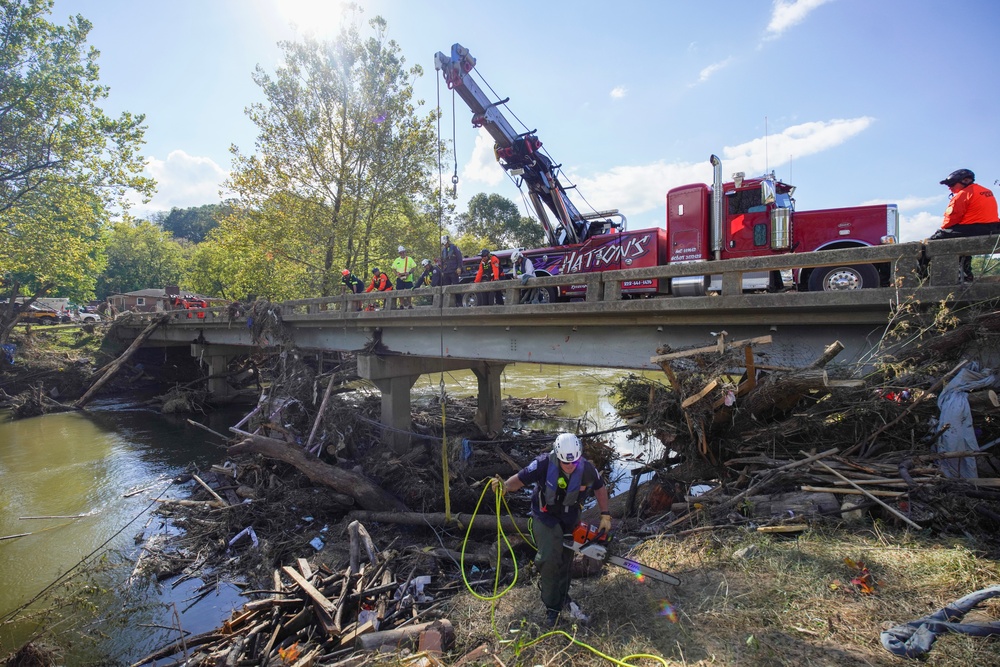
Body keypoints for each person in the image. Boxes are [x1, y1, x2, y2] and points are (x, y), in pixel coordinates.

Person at [494, 433, 611, 627]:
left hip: (570, 519)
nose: (571, 466)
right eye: (566, 463)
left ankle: (563, 596)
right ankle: (552, 608)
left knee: (565, 561)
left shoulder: (586, 468)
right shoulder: (542, 464)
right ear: (558, 456)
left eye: (574, 462)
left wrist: (605, 514)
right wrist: (504, 487)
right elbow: (519, 480)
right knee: (549, 558)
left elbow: (599, 487)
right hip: (545, 518)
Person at [928, 169, 999, 283]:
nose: (949, 188)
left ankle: (927, 275)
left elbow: (950, 220)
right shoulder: (986, 191)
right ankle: (966, 273)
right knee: (959, 241)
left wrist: (942, 231)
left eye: (951, 184)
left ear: (965, 181)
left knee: (934, 241)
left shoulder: (963, 194)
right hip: (992, 227)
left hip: (973, 227)